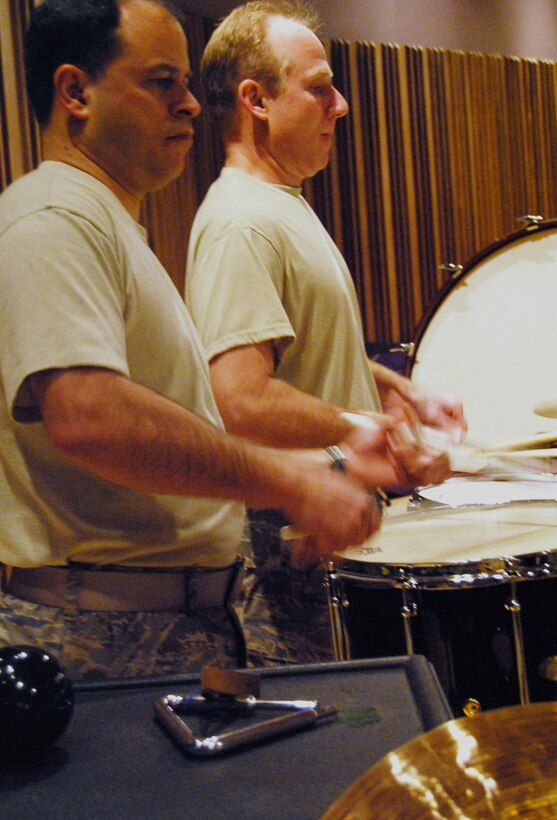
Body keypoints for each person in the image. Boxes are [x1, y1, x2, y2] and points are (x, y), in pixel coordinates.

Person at [0, 0, 425, 682]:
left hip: (158, 623)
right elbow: (89, 415)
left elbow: (174, 399)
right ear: (75, 92)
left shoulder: (105, 224)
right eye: (161, 82)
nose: (192, 106)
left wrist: (349, 433)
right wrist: (297, 478)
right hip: (104, 636)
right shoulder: (53, 217)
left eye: (187, 85)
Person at [185, 0, 465, 665]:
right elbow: (238, 398)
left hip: (333, 536)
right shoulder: (240, 224)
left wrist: (403, 391)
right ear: (256, 99)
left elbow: (303, 342)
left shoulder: (282, 206)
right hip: (291, 552)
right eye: (318, 87)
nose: (339, 104)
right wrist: (354, 431)